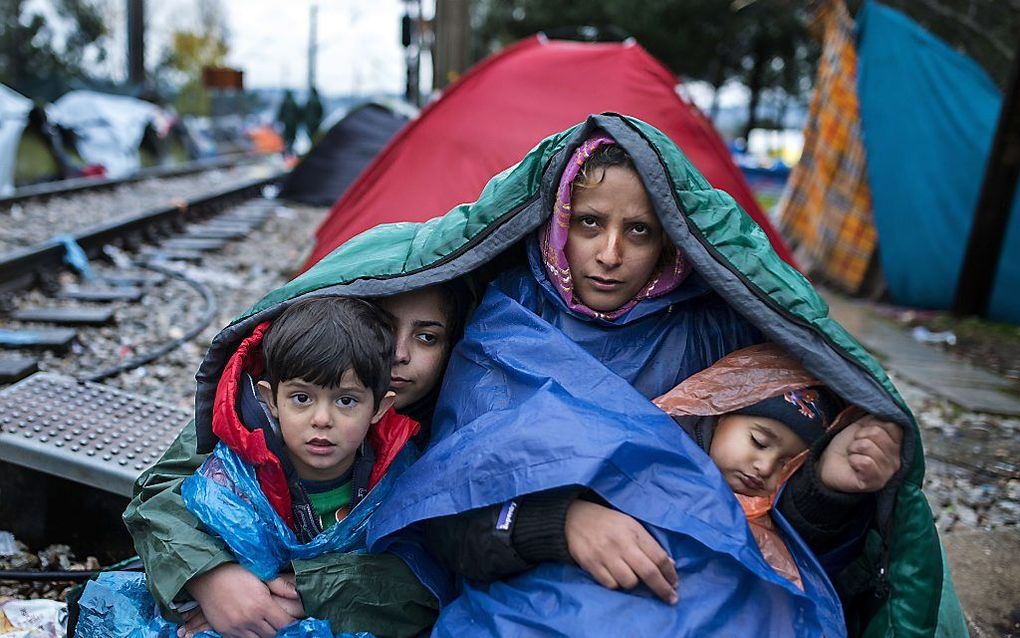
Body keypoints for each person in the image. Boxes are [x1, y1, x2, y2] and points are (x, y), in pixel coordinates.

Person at [365, 130, 909, 636]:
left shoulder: (716, 332)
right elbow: (449, 515)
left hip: (694, 586)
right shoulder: (505, 324)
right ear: (557, 222)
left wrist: (830, 489)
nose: (610, 254)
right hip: (541, 593)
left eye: (640, 231)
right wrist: (562, 524)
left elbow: (768, 509)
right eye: (589, 223)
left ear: (672, 240)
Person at [122, 284, 467, 638]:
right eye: (385, 326)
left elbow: (433, 566)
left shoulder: (461, 425)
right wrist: (211, 578)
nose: (397, 353)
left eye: (426, 337)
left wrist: (312, 593)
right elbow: (161, 495)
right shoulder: (250, 412)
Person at [654, 342, 850, 590]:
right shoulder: (661, 444)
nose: (766, 468)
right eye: (759, 442)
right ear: (722, 414)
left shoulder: (778, 511)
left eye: (788, 464)